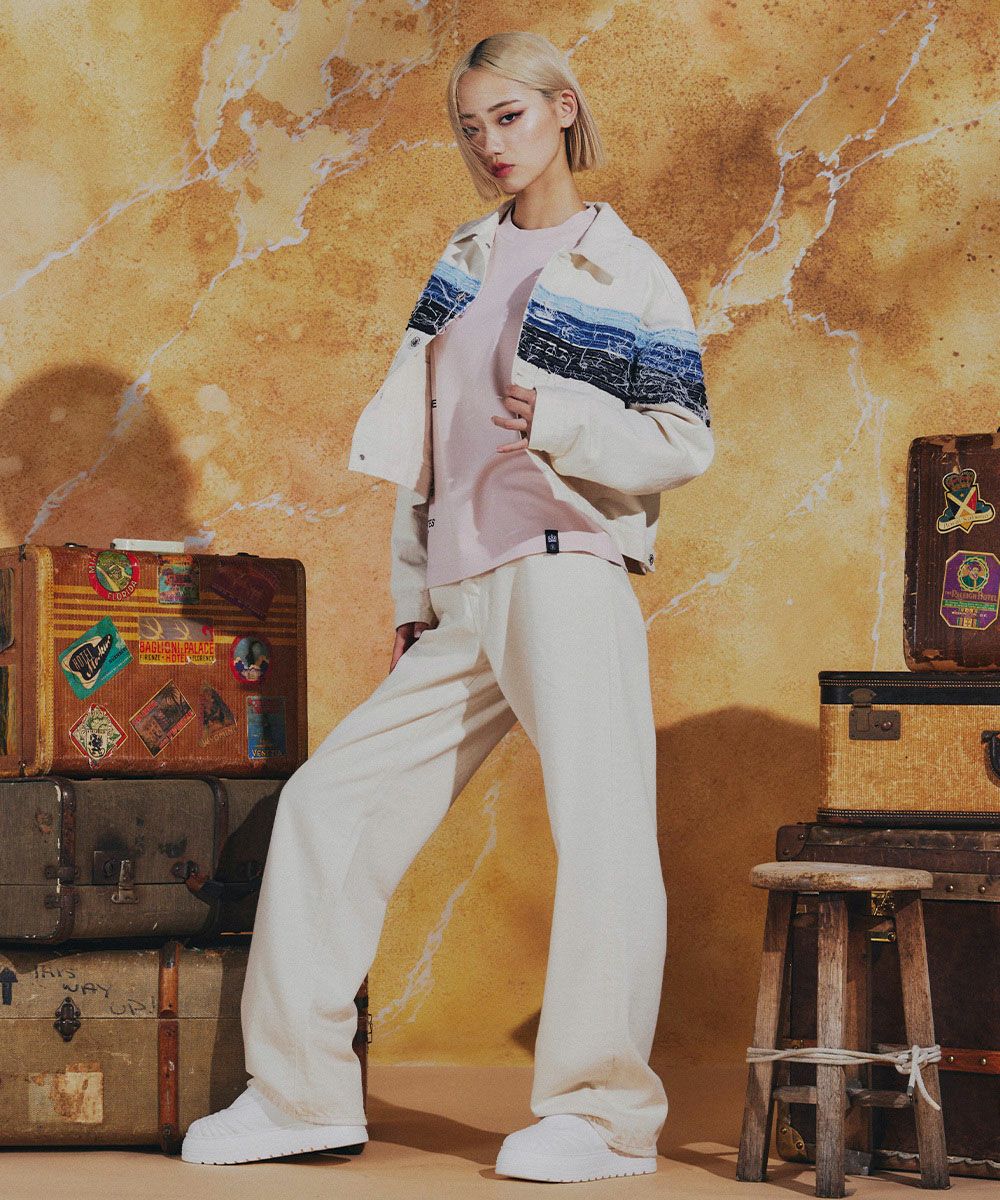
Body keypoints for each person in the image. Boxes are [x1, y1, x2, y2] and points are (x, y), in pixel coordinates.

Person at [181, 30, 714, 1184]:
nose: (490, 145)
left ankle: (602, 1116)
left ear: (563, 109)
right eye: (471, 127)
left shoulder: (627, 269)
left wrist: (561, 420)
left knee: (602, 838)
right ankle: (300, 1095)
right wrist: (412, 593)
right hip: (464, 590)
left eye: (509, 118)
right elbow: (420, 442)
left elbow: (684, 441)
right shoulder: (463, 259)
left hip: (566, 569)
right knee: (328, 808)